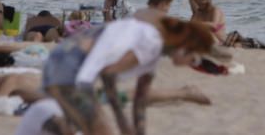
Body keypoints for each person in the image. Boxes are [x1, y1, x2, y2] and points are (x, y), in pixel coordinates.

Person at [43, 16, 214, 135]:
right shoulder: (151, 44)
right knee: (99, 128)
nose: (191, 64)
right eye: (193, 59)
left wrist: (131, 127)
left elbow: (140, 98)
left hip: (64, 61)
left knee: (84, 126)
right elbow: (107, 73)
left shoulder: (154, 46)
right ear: (185, 46)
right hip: (69, 66)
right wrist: (121, 120)